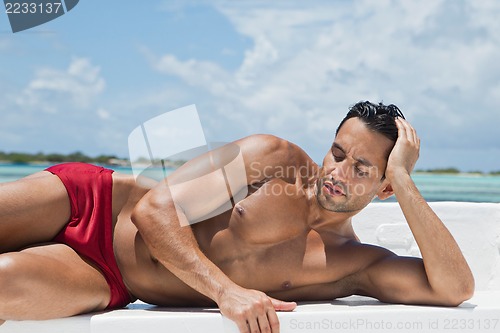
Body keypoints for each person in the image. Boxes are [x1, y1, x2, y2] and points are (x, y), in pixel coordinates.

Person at [0, 101, 474, 333]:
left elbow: (454, 289)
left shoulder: (353, 263)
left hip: (114, 280)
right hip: (97, 201)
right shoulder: (271, 157)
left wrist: (408, 183)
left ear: (386, 186)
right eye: (337, 152)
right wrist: (225, 293)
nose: (337, 172)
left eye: (362, 168)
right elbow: (153, 210)